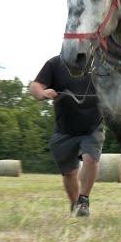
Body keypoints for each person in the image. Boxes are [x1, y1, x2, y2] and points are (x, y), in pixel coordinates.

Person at [29, 55, 105, 217]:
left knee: (91, 159)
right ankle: (74, 204)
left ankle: (83, 201)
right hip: (64, 130)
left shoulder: (100, 63)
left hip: (92, 126)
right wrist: (42, 93)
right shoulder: (55, 64)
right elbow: (34, 86)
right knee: (69, 173)